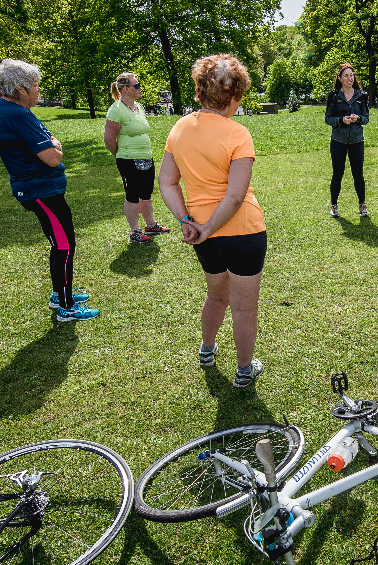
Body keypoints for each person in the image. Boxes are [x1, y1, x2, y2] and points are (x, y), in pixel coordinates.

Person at [158, 54, 266, 388]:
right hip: (241, 232)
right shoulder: (238, 133)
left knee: (216, 295)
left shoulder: (179, 127)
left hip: (204, 234)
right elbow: (235, 197)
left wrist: (187, 222)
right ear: (235, 95)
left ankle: (207, 350)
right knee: (244, 308)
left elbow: (167, 181)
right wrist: (202, 226)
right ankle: (244, 370)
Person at [0, 59, 99, 322]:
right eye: (35, 85)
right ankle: (66, 306)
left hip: (37, 189)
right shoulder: (17, 114)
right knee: (64, 246)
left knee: (60, 243)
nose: (39, 90)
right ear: (20, 89)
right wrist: (56, 144)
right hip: (42, 191)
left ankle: (59, 293)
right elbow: (53, 157)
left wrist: (52, 144)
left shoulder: (4, 108)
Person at [104, 72, 170, 243]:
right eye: (137, 85)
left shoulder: (138, 107)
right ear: (126, 89)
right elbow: (109, 139)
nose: (140, 88)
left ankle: (151, 225)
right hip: (128, 160)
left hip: (146, 157)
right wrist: (122, 155)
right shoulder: (116, 110)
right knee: (132, 195)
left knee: (146, 193)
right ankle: (135, 231)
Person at [324, 62, 370, 218]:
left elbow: (366, 119)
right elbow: (328, 119)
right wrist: (341, 120)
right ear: (340, 78)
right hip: (338, 141)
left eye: (352, 75)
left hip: (357, 141)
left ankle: (362, 205)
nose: (350, 78)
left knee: (359, 174)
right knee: (338, 174)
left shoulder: (361, 95)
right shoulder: (334, 96)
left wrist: (357, 118)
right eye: (346, 75)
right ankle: (334, 206)